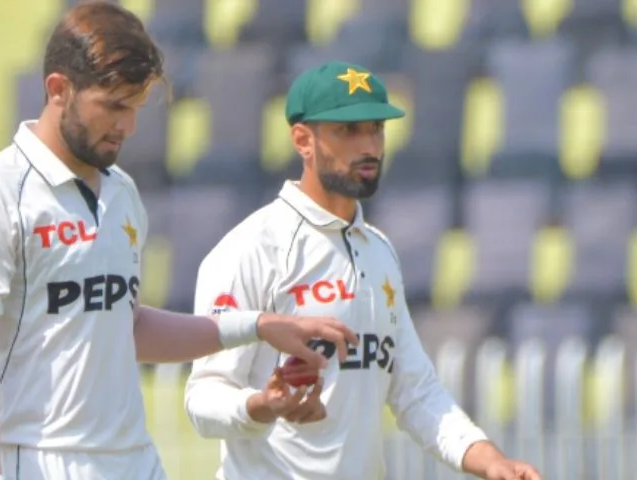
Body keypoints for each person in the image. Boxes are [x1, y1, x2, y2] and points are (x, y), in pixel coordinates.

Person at [0, 4, 358, 480]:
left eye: (135, 107)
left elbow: (128, 327)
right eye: (114, 106)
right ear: (59, 89)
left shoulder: (121, 192)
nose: (129, 127)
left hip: (136, 460)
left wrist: (258, 325)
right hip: (38, 461)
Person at [184, 61, 543, 480]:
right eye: (347, 130)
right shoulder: (250, 249)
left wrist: (491, 461)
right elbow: (203, 399)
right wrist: (263, 406)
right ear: (303, 140)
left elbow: (414, 390)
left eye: (376, 128)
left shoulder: (378, 250)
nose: (369, 145)